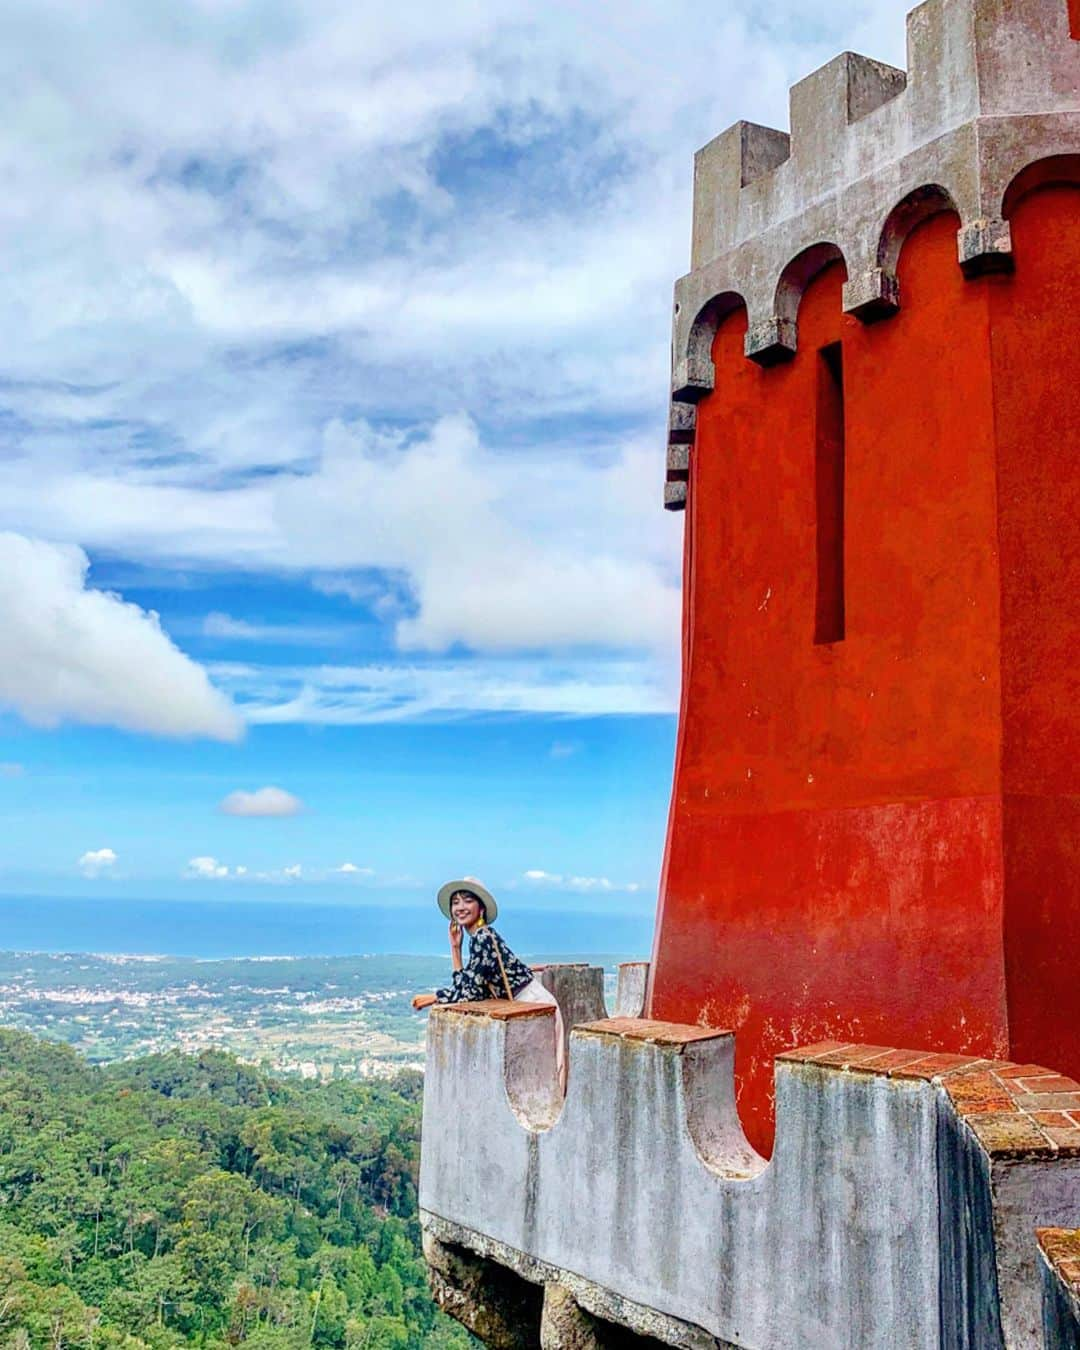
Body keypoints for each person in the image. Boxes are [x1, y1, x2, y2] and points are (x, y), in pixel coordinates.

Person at [412, 878, 566, 1091]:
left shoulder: (483, 937)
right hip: (526, 1002)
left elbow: (470, 993)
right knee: (547, 1078)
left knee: (549, 1078)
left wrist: (434, 997)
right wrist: (455, 949)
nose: (460, 907)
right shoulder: (480, 938)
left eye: (467, 901)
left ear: (481, 909)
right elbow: (467, 985)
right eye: (455, 902)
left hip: (532, 1002)